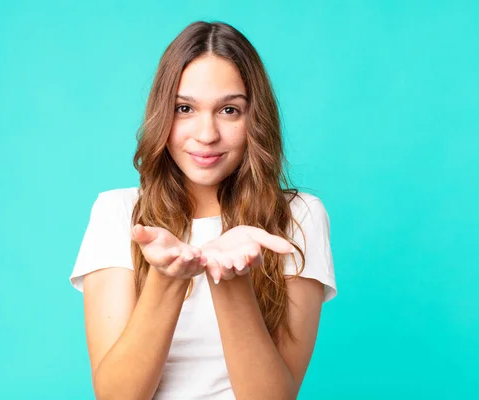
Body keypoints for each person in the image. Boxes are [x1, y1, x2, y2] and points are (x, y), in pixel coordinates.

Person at [69, 20, 337, 400]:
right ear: (163, 113)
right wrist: (167, 277)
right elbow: (117, 396)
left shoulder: (298, 217)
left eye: (229, 110)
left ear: (254, 119)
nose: (207, 133)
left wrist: (231, 279)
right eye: (184, 108)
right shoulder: (118, 213)